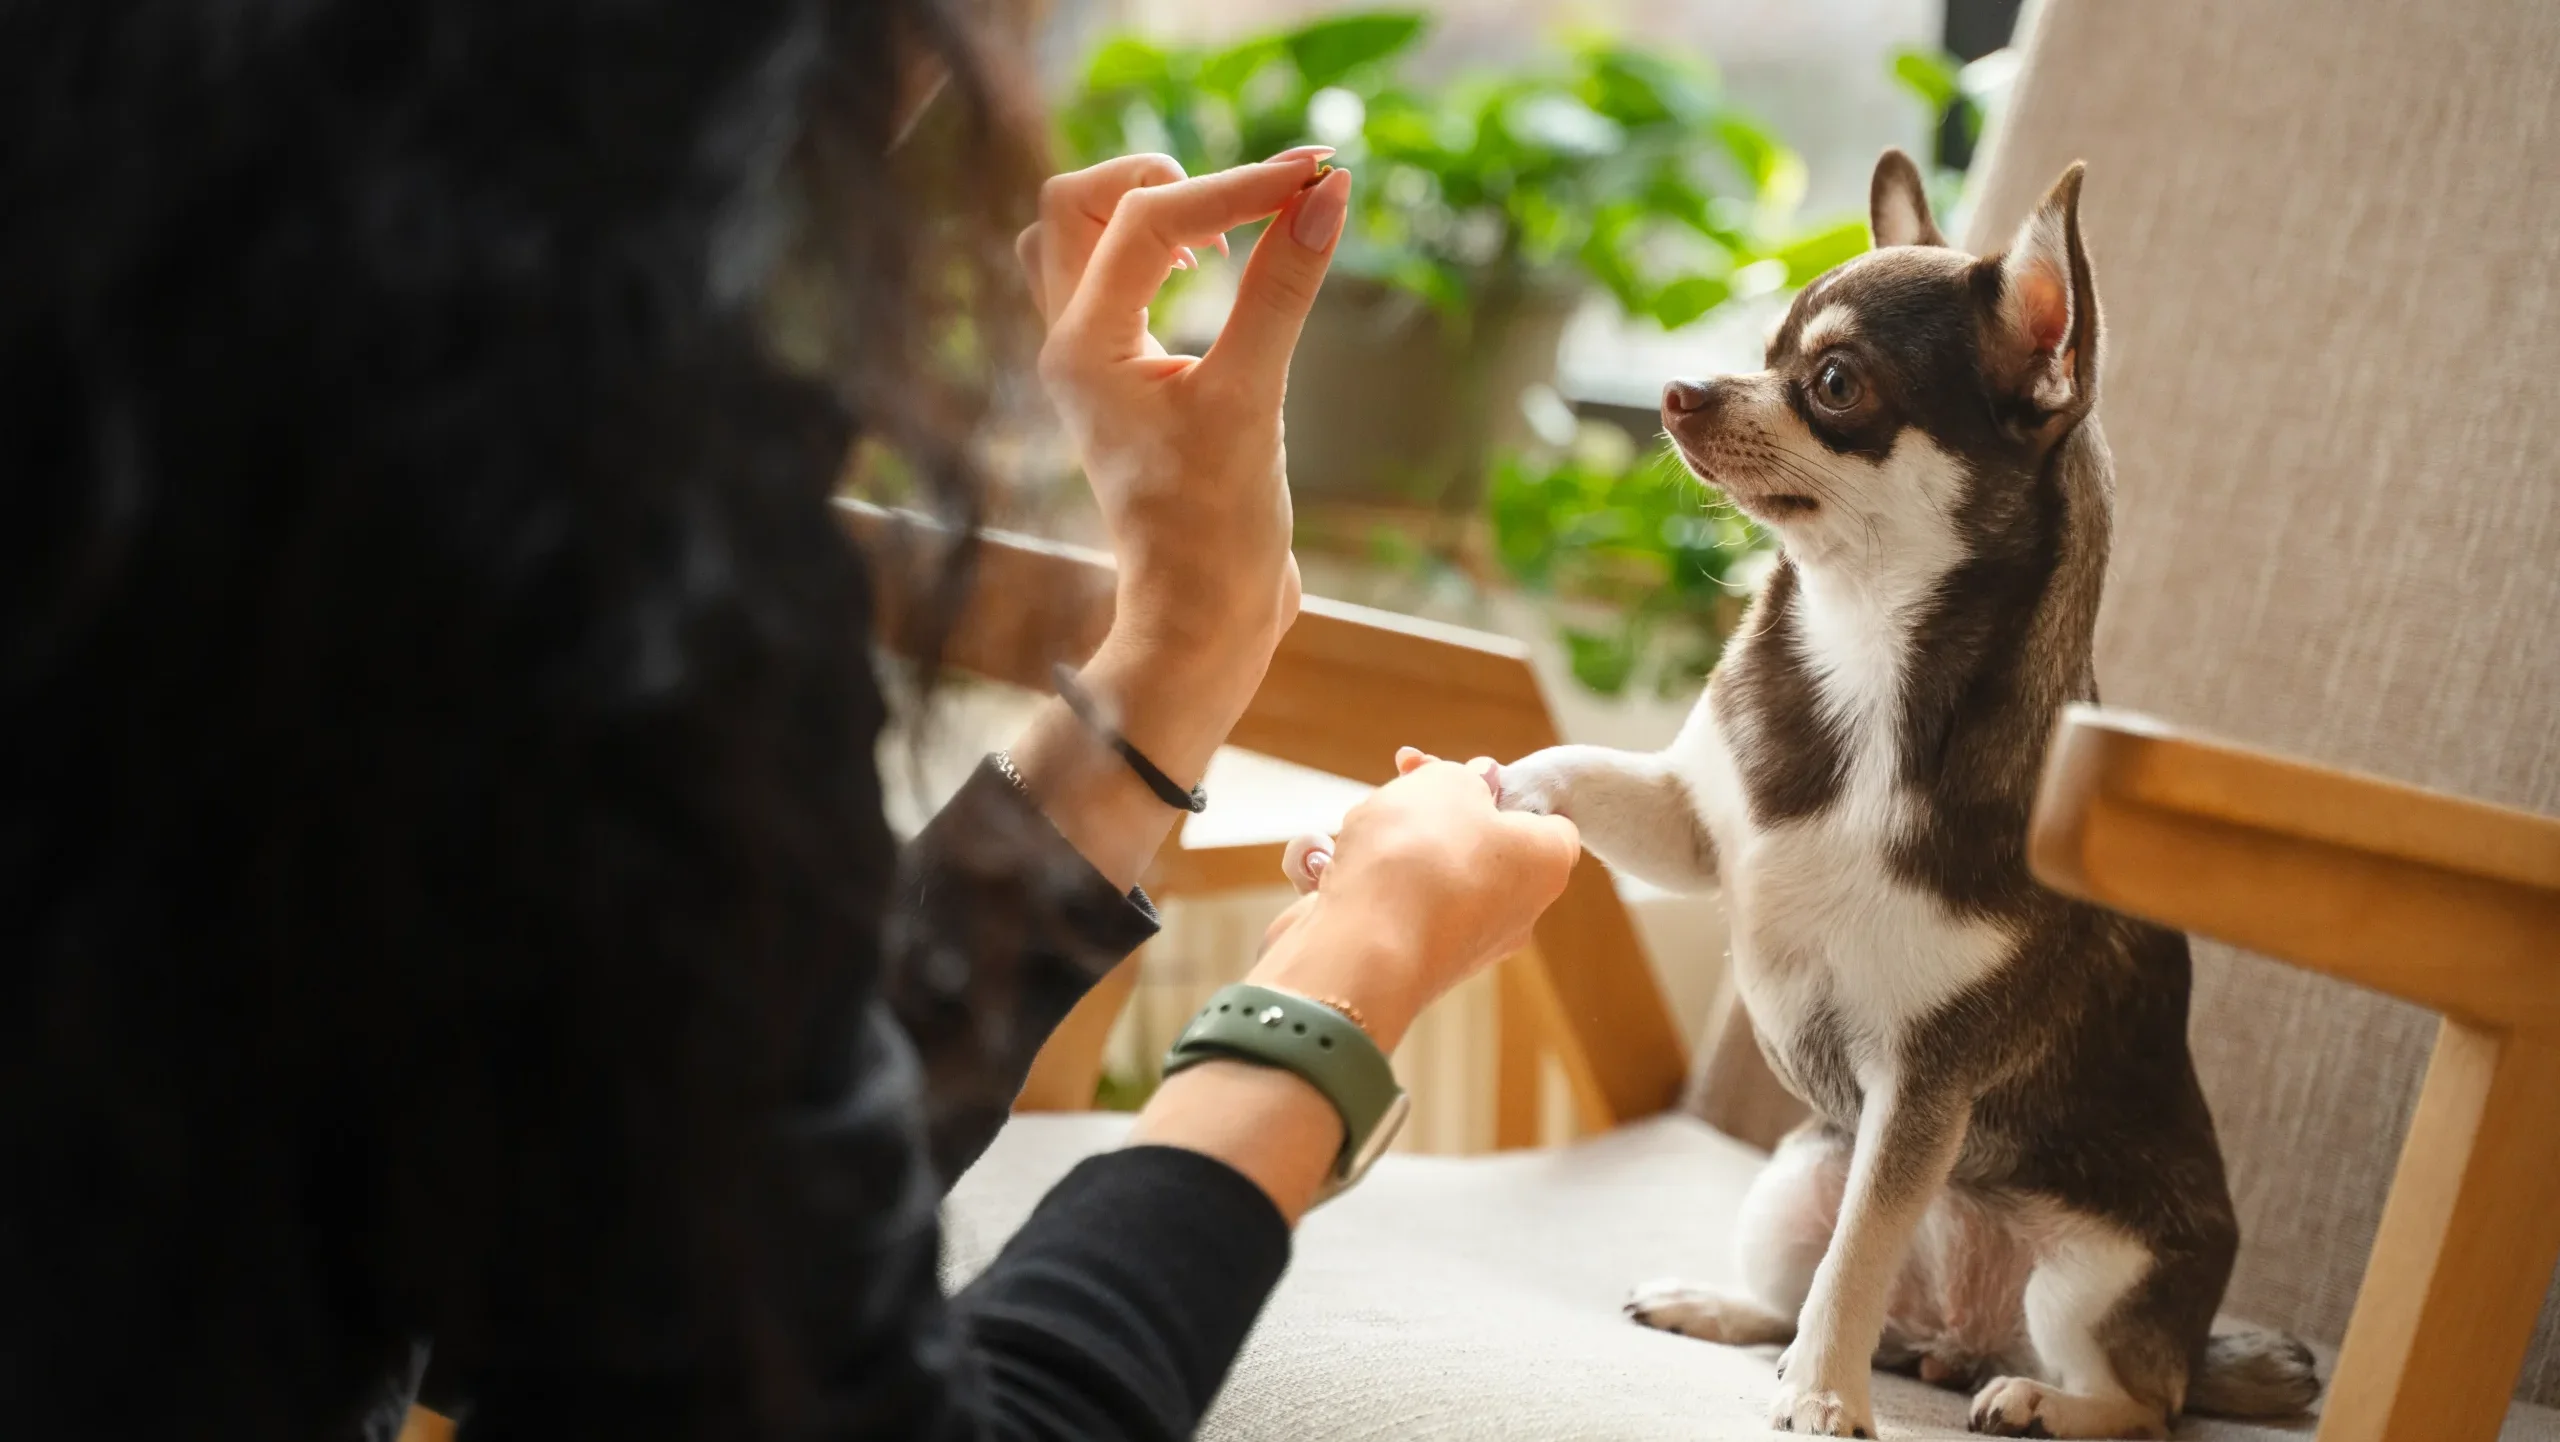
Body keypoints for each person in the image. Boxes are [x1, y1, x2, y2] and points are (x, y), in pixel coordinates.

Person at [0, 2, 1583, 1439]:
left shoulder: (190, 364)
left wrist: (1180, 650)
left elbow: (659, 1224)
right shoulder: (548, 519)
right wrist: (1344, 973)